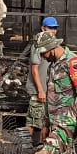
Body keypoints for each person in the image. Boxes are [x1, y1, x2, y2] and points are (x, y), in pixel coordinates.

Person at [36, 29, 77, 126]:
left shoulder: (73, 62)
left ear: (51, 48)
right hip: (54, 123)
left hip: (68, 123)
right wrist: (46, 124)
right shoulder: (53, 66)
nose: (42, 57)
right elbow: (50, 95)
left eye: (43, 53)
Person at [26, 16, 58, 145]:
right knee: (34, 120)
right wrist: (40, 90)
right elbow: (35, 70)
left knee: (46, 121)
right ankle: (24, 147)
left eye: (55, 28)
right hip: (38, 90)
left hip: (48, 89)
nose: (53, 31)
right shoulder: (38, 45)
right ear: (43, 28)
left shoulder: (53, 44)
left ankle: (42, 148)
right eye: (50, 28)